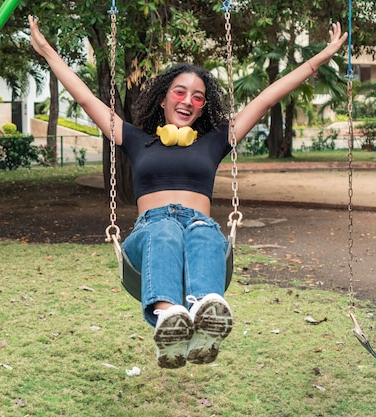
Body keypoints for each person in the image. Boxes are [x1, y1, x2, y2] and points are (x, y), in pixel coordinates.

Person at [29, 15, 347, 368]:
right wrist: (47, 52)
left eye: (198, 97)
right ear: (163, 99)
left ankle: (205, 315)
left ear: (202, 107)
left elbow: (267, 98)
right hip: (150, 232)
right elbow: (87, 99)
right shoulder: (137, 140)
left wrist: (322, 57)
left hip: (200, 228)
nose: (187, 100)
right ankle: (170, 321)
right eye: (179, 92)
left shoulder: (214, 142)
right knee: (166, 228)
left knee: (202, 230)